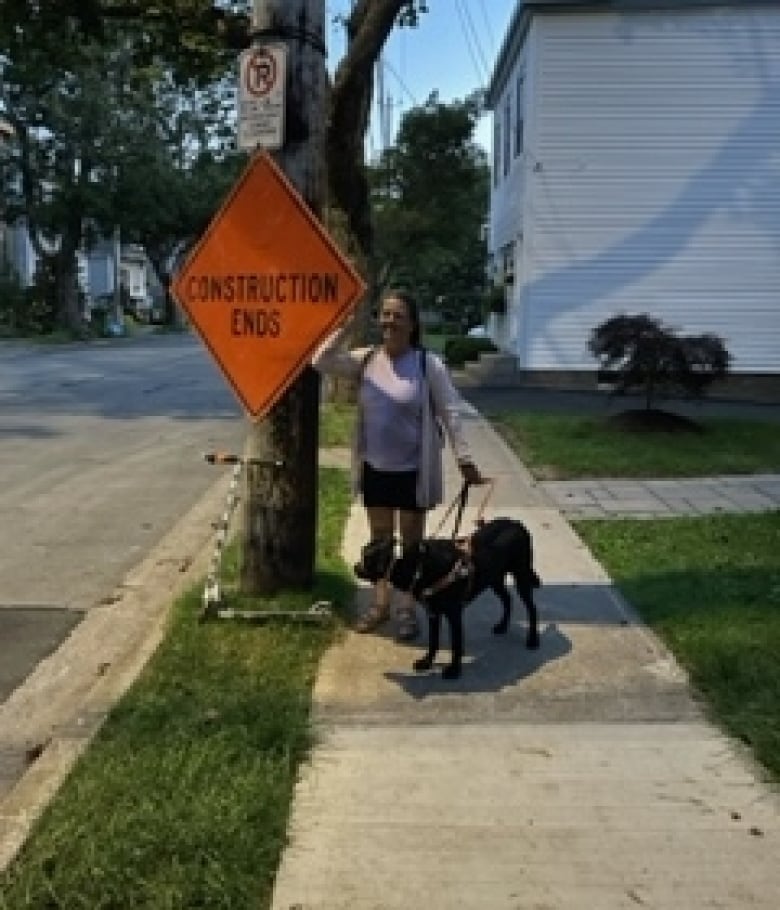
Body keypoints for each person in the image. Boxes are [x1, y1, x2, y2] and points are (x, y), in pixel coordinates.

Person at [312, 289, 483, 640]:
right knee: (380, 542)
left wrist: (464, 458)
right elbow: (321, 360)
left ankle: (406, 608)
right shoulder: (366, 359)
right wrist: (346, 324)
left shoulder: (426, 364)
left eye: (397, 315)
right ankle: (380, 605)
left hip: (412, 470)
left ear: (413, 323)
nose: (389, 321)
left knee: (412, 545)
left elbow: (450, 410)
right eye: (384, 314)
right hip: (375, 467)